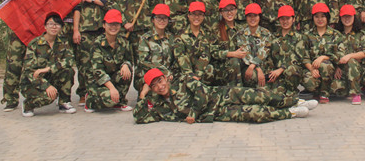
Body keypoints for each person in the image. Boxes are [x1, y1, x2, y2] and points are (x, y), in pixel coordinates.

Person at [133, 69, 311, 124]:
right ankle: (291, 112)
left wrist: (193, 113)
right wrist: (142, 95)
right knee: (255, 114)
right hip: (218, 113)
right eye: (154, 85)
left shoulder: (183, 81)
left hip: (222, 95)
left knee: (260, 96)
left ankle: (295, 101)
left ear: (165, 78)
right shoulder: (159, 107)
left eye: (160, 81)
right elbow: (139, 118)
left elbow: (201, 93)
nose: (160, 86)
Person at [0, 0, 43, 111]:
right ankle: (10, 99)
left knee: (36, 64)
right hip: (17, 29)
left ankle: (35, 97)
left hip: (36, 29)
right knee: (13, 64)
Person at [71, 0, 115, 106]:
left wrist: (93, 0)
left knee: (105, 61)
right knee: (84, 63)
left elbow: (112, 4)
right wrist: (76, 30)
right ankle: (83, 92)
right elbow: (76, 8)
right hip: (86, 30)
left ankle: (105, 90)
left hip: (105, 30)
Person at [110, 0, 155, 93]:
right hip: (125, 31)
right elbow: (113, 5)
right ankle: (120, 95)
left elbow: (151, 2)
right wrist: (124, 22)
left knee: (143, 63)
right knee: (124, 63)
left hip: (143, 29)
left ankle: (143, 93)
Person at [20, 12, 76, 117]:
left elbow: (69, 60)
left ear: (61, 28)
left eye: (57, 24)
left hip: (51, 76)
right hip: (33, 82)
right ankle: (28, 105)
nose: (54, 27)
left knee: (68, 71)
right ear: (45, 26)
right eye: (50, 24)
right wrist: (46, 86)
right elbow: (29, 71)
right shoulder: (34, 44)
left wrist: (49, 69)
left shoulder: (63, 43)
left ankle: (64, 102)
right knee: (49, 97)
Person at [85, 9, 133, 112]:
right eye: (110, 24)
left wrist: (126, 64)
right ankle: (90, 100)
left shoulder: (124, 42)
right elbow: (98, 71)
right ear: (104, 25)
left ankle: (120, 101)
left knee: (127, 71)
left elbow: (129, 60)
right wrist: (111, 88)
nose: (113, 27)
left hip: (113, 77)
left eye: (116, 24)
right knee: (109, 100)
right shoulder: (97, 44)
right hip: (97, 82)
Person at [302, 3, 341, 104]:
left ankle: (324, 93)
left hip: (330, 70)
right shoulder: (307, 35)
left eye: (323, 16)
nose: (320, 19)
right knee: (309, 82)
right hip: (312, 68)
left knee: (325, 65)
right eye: (317, 17)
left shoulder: (335, 34)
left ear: (327, 18)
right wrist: (311, 69)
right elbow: (304, 56)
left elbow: (339, 54)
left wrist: (323, 57)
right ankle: (315, 91)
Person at [331, 4, 365, 105]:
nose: (347, 19)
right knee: (335, 88)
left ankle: (356, 93)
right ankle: (347, 88)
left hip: (358, 70)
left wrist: (349, 56)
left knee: (351, 61)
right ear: (340, 18)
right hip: (342, 71)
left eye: (349, 16)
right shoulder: (336, 35)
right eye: (344, 16)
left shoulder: (361, 34)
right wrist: (337, 66)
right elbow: (332, 53)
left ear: (354, 17)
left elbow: (364, 52)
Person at [266, 5, 309, 94]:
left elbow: (297, 58)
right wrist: (271, 71)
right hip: (276, 73)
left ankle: (292, 92)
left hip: (292, 72)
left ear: (293, 19)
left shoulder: (300, 37)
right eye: (282, 19)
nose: (285, 21)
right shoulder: (273, 37)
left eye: (288, 19)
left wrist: (281, 69)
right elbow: (269, 56)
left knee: (291, 70)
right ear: (279, 20)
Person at [174, 2, 217, 86]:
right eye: (193, 14)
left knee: (210, 69)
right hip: (185, 72)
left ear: (203, 16)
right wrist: (190, 74)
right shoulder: (180, 35)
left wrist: (198, 74)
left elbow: (207, 54)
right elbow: (180, 56)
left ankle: (203, 91)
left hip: (201, 72)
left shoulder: (207, 34)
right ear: (188, 15)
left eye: (200, 14)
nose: (196, 17)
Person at [137, 4, 176, 89]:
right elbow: (143, 62)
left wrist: (170, 74)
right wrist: (163, 72)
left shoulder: (171, 38)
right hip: (150, 77)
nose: (162, 21)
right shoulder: (145, 38)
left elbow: (175, 59)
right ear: (153, 20)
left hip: (168, 77)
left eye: (164, 18)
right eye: (158, 18)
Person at [232, 3, 273, 87]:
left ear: (259, 17)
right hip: (248, 67)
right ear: (246, 18)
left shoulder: (266, 33)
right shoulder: (241, 34)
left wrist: (255, 66)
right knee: (252, 77)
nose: (252, 18)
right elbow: (245, 53)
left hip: (265, 66)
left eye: (255, 16)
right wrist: (256, 68)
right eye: (250, 16)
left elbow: (264, 52)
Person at [209, 0, 245, 86]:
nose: (229, 13)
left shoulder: (242, 28)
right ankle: (236, 91)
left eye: (231, 9)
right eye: (225, 10)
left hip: (241, 63)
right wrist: (232, 54)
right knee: (234, 62)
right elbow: (214, 52)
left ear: (236, 10)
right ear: (221, 13)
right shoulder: (216, 29)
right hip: (222, 67)